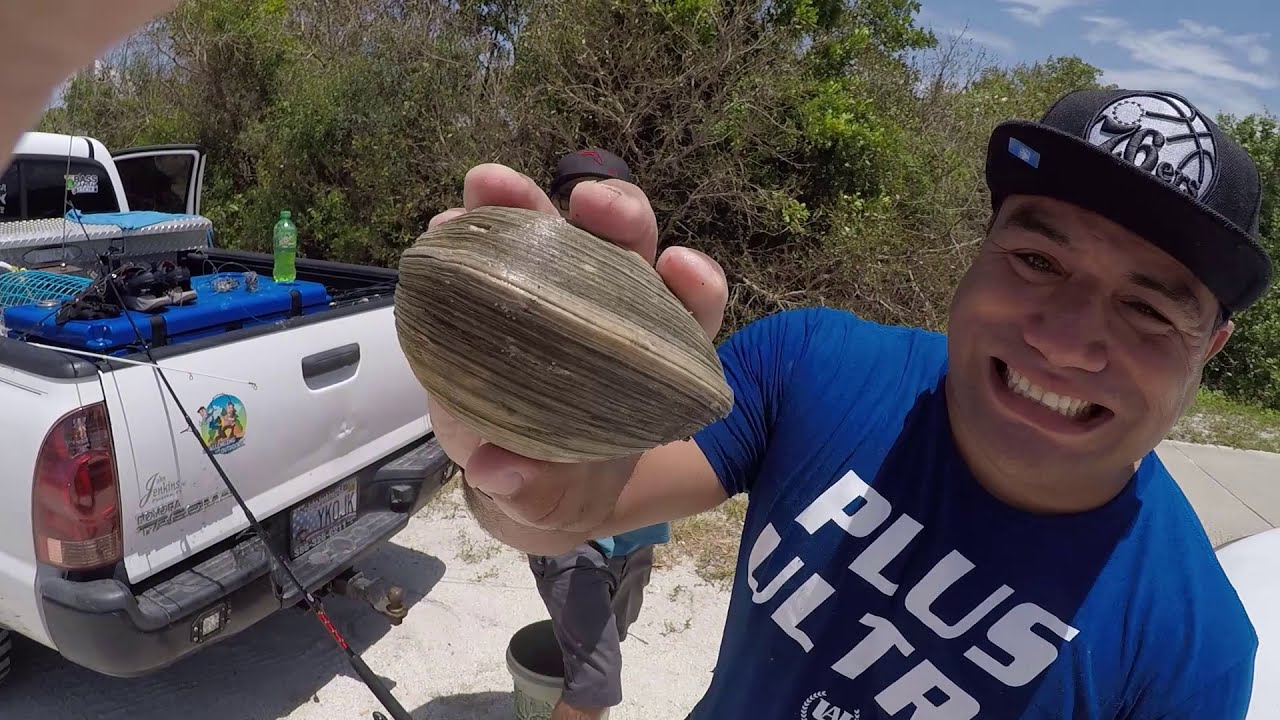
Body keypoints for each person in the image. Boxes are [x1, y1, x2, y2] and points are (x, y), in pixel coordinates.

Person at [430, 88, 1273, 719]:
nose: (1067, 341)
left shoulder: (1191, 651)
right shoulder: (814, 365)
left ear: (1209, 348)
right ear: (979, 253)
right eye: (1038, 262)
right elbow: (569, 509)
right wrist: (523, 460)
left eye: (1149, 309)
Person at [527, 147, 670, 720]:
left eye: (609, 196)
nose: (589, 214)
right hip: (570, 534)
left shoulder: (656, 301)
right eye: (572, 199)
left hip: (636, 532)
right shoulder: (536, 293)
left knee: (607, 649)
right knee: (596, 681)